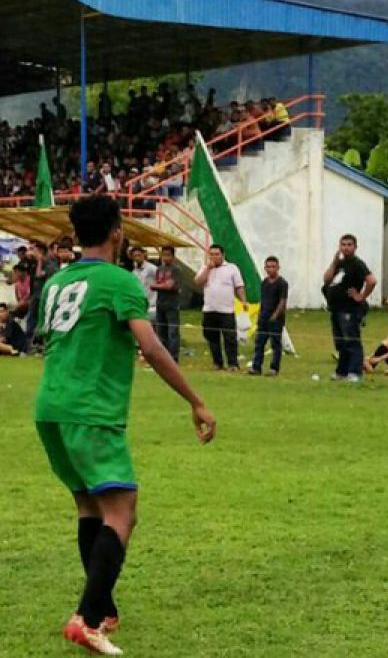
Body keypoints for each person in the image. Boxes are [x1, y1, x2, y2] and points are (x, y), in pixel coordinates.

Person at [33, 194, 215, 656]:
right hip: (91, 410)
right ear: (117, 231)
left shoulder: (57, 280)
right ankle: (87, 619)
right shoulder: (119, 282)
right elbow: (151, 348)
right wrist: (195, 401)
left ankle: (104, 609)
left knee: (91, 507)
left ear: (75, 235)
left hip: (51, 409)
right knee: (122, 510)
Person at [323, 234, 376, 382]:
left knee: (351, 341)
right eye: (343, 245)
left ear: (355, 247)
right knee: (340, 342)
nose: (346, 248)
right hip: (336, 308)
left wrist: (361, 295)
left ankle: (355, 372)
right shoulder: (340, 264)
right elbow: (326, 279)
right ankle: (342, 371)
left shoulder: (357, 264)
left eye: (349, 245)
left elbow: (371, 280)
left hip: (349, 309)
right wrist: (334, 262)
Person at [194, 244, 247, 371]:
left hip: (226, 310)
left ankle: (233, 363)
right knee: (211, 337)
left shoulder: (232, 268)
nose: (214, 257)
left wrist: (244, 301)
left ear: (222, 255)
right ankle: (217, 363)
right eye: (211, 254)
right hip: (209, 309)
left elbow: (239, 286)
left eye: (216, 254)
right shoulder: (205, 267)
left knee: (230, 338)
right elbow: (198, 282)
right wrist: (208, 268)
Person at [249, 256, 289, 376]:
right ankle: (256, 367)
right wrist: (260, 315)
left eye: (273, 267)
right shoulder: (264, 283)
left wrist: (275, 315)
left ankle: (274, 368)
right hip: (263, 317)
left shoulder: (282, 283)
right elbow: (263, 300)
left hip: (276, 319)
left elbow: (283, 301)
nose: (271, 269)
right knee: (259, 343)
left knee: (275, 344)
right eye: (268, 267)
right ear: (265, 268)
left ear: (278, 267)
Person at [150, 246, 182, 362]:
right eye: (164, 255)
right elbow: (153, 285)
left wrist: (159, 285)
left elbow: (170, 286)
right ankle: (163, 356)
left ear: (173, 256)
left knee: (173, 331)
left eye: (168, 255)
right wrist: (161, 285)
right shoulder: (160, 269)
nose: (165, 257)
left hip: (172, 304)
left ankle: (174, 356)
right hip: (160, 302)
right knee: (161, 330)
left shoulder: (176, 270)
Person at [128, 246, 157, 315]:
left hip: (152, 305)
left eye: (139, 255)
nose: (137, 258)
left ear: (143, 255)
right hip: (141, 305)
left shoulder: (151, 268)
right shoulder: (134, 272)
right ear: (132, 257)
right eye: (135, 256)